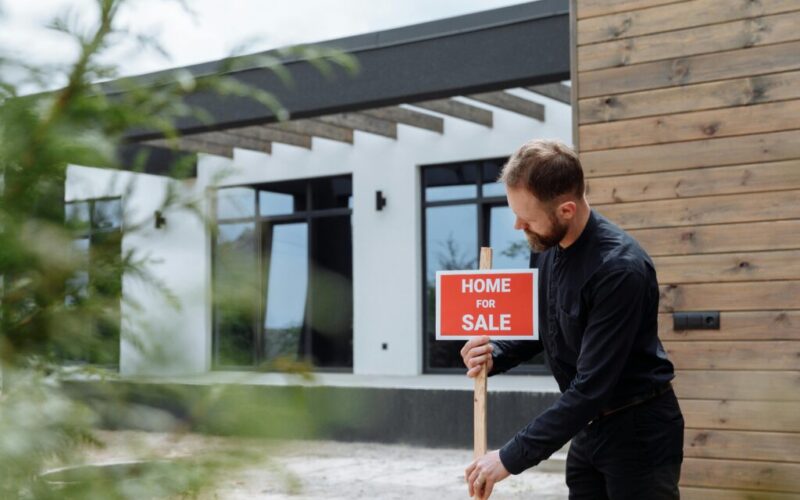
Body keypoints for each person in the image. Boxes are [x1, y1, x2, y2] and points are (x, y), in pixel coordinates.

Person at [462, 139, 683, 500]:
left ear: (566, 210)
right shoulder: (547, 247)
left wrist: (507, 458)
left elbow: (591, 387)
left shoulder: (620, 270)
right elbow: (542, 326)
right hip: (588, 429)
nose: (518, 226)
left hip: (640, 433)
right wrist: (494, 354)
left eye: (527, 217)